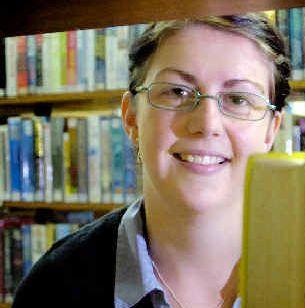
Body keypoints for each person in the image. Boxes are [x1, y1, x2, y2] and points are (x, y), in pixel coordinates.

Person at [13, 13, 290, 308]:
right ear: (131, 117)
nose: (207, 124)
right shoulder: (53, 287)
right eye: (177, 92)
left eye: (238, 99)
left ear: (271, 130)